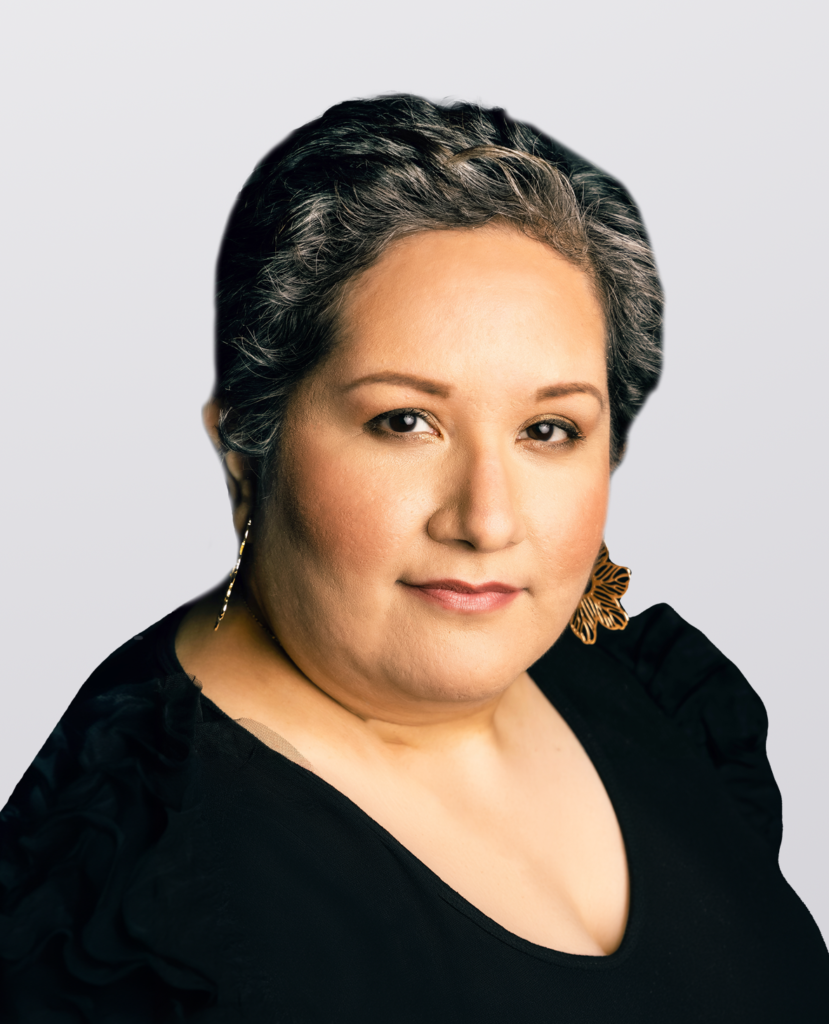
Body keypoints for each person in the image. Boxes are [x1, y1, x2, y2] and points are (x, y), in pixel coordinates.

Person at [1, 95, 826, 1022]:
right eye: (404, 422)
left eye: (548, 429)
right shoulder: (122, 909)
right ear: (247, 447)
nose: (486, 518)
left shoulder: (655, 699)